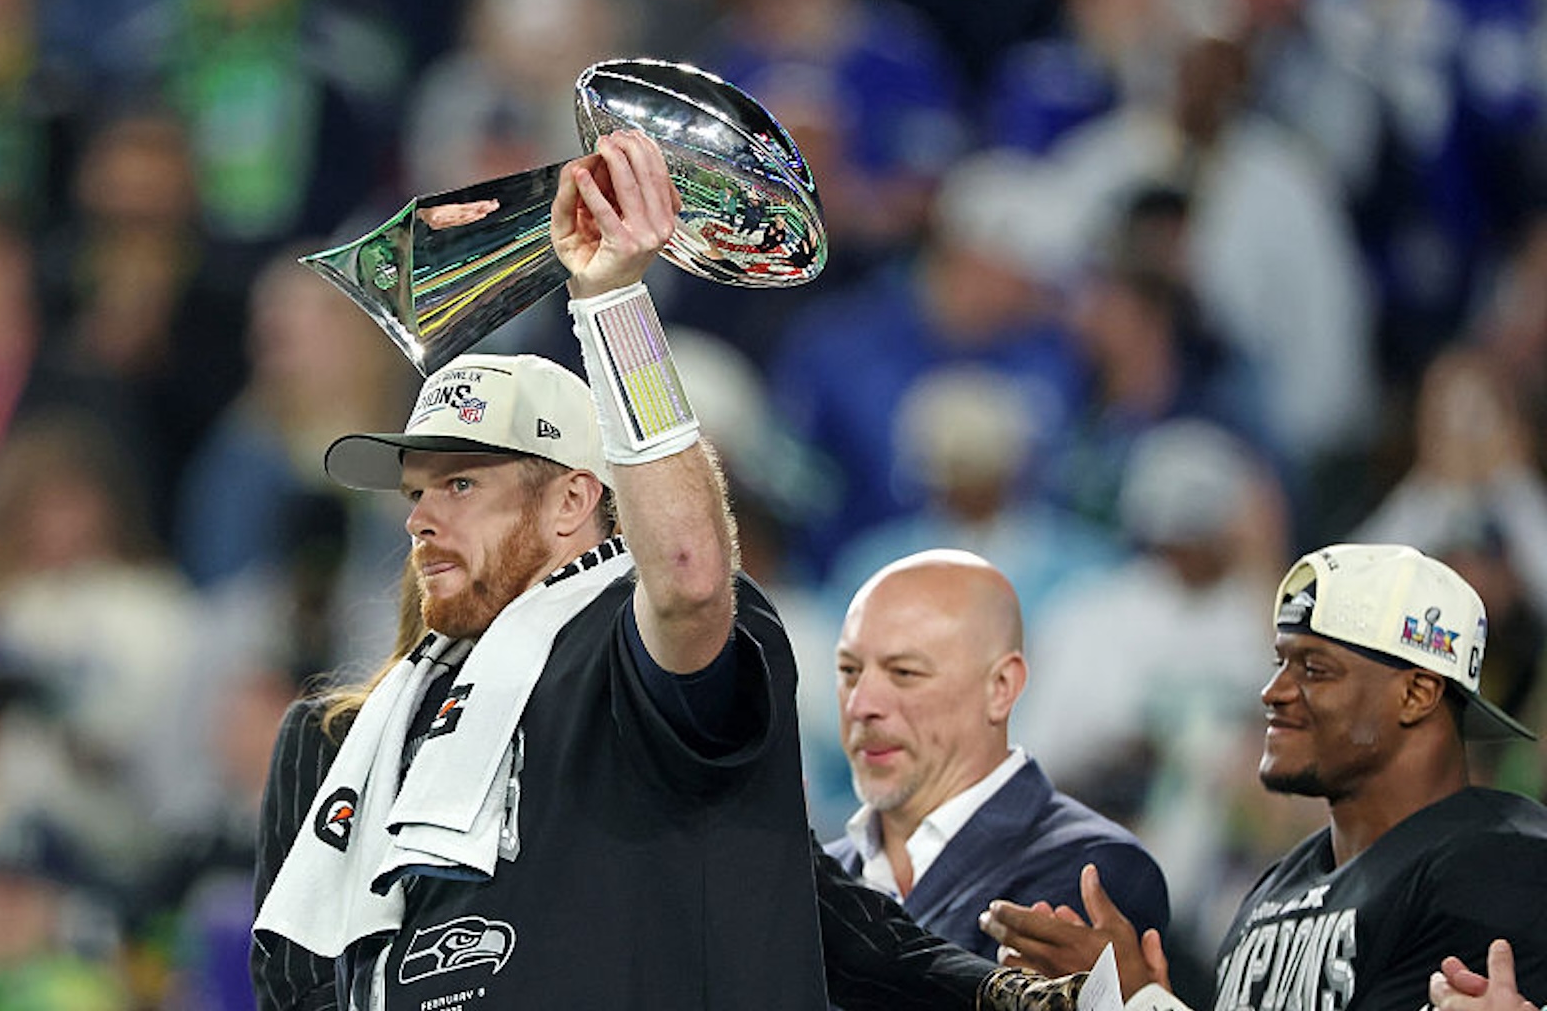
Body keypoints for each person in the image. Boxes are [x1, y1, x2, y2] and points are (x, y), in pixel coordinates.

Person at [251, 131, 1082, 1011]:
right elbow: (292, 986)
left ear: (573, 503)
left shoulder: (629, 663)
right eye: (419, 490)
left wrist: (611, 301)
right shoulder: (338, 743)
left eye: (462, 483)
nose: (422, 517)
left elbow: (687, 580)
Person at [982, 543, 1547, 1011]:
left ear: (1417, 693)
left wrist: (1132, 1002)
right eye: (1280, 661)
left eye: (1314, 669)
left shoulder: (1500, 863)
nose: (1272, 692)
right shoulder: (1277, 889)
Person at [823, 549, 1168, 959]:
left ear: (1000, 688)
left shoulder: (1091, 872)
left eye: (904, 673)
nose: (861, 705)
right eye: (850, 672)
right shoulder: (811, 878)